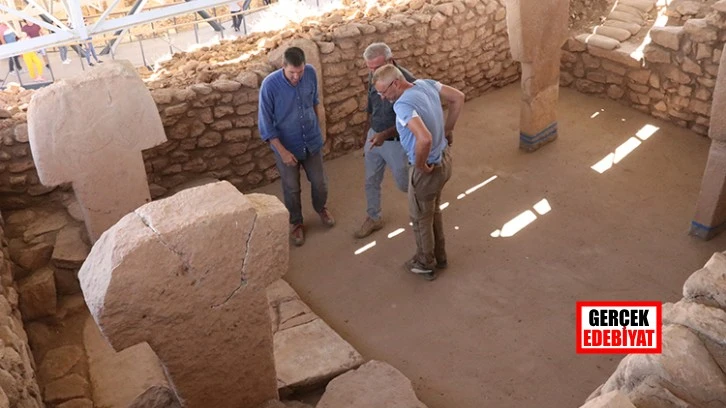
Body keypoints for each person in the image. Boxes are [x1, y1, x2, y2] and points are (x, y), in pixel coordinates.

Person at [372, 64, 464, 281]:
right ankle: (440, 257)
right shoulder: (426, 84)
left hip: (429, 168)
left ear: (396, 83)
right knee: (432, 211)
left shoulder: (402, 105)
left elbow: (424, 138)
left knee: (420, 217)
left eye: (383, 92)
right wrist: (448, 129)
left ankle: (425, 263)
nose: (383, 98)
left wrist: (421, 165)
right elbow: (458, 97)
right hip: (444, 159)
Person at [258, 46, 334, 246]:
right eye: (292, 72)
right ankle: (296, 222)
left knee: (320, 182)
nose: (297, 77)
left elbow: (315, 102)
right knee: (291, 188)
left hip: (311, 140)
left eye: (299, 72)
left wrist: (319, 130)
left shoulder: (310, 72)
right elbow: (265, 125)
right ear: (283, 66)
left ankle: (321, 208)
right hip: (287, 145)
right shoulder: (269, 85)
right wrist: (282, 152)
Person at [355, 43, 415, 239]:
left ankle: (423, 208)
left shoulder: (407, 83)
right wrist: (368, 134)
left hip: (397, 142)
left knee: (405, 182)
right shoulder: (375, 75)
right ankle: (374, 217)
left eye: (375, 67)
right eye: (369, 68)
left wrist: (384, 135)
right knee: (371, 179)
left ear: (390, 61)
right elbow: (371, 107)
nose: (372, 73)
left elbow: (413, 121)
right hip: (375, 136)